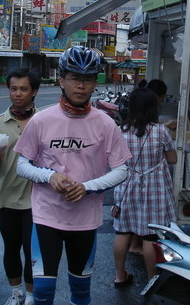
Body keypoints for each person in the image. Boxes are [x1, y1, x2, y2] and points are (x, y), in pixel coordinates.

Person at [15, 46, 131, 305]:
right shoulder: (41, 120)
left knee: (80, 293)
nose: (81, 85)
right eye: (75, 78)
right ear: (61, 80)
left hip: (85, 221)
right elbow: (22, 165)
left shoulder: (104, 123)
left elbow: (122, 170)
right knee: (43, 295)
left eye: (88, 79)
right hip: (46, 218)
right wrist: (49, 176)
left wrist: (87, 187)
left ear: (94, 83)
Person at [112, 83, 177, 284]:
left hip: (126, 185)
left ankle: (120, 275)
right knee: (150, 237)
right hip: (154, 188)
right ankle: (151, 280)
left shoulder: (119, 131)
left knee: (123, 231)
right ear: (153, 108)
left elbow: (113, 160)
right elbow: (172, 159)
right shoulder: (161, 131)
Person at [0, 68, 41, 305]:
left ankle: (30, 295)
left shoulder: (43, 121)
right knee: (11, 248)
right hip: (7, 197)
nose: (17, 94)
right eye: (13, 89)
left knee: (31, 252)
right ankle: (15, 292)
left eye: (23, 89)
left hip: (36, 199)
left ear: (34, 92)